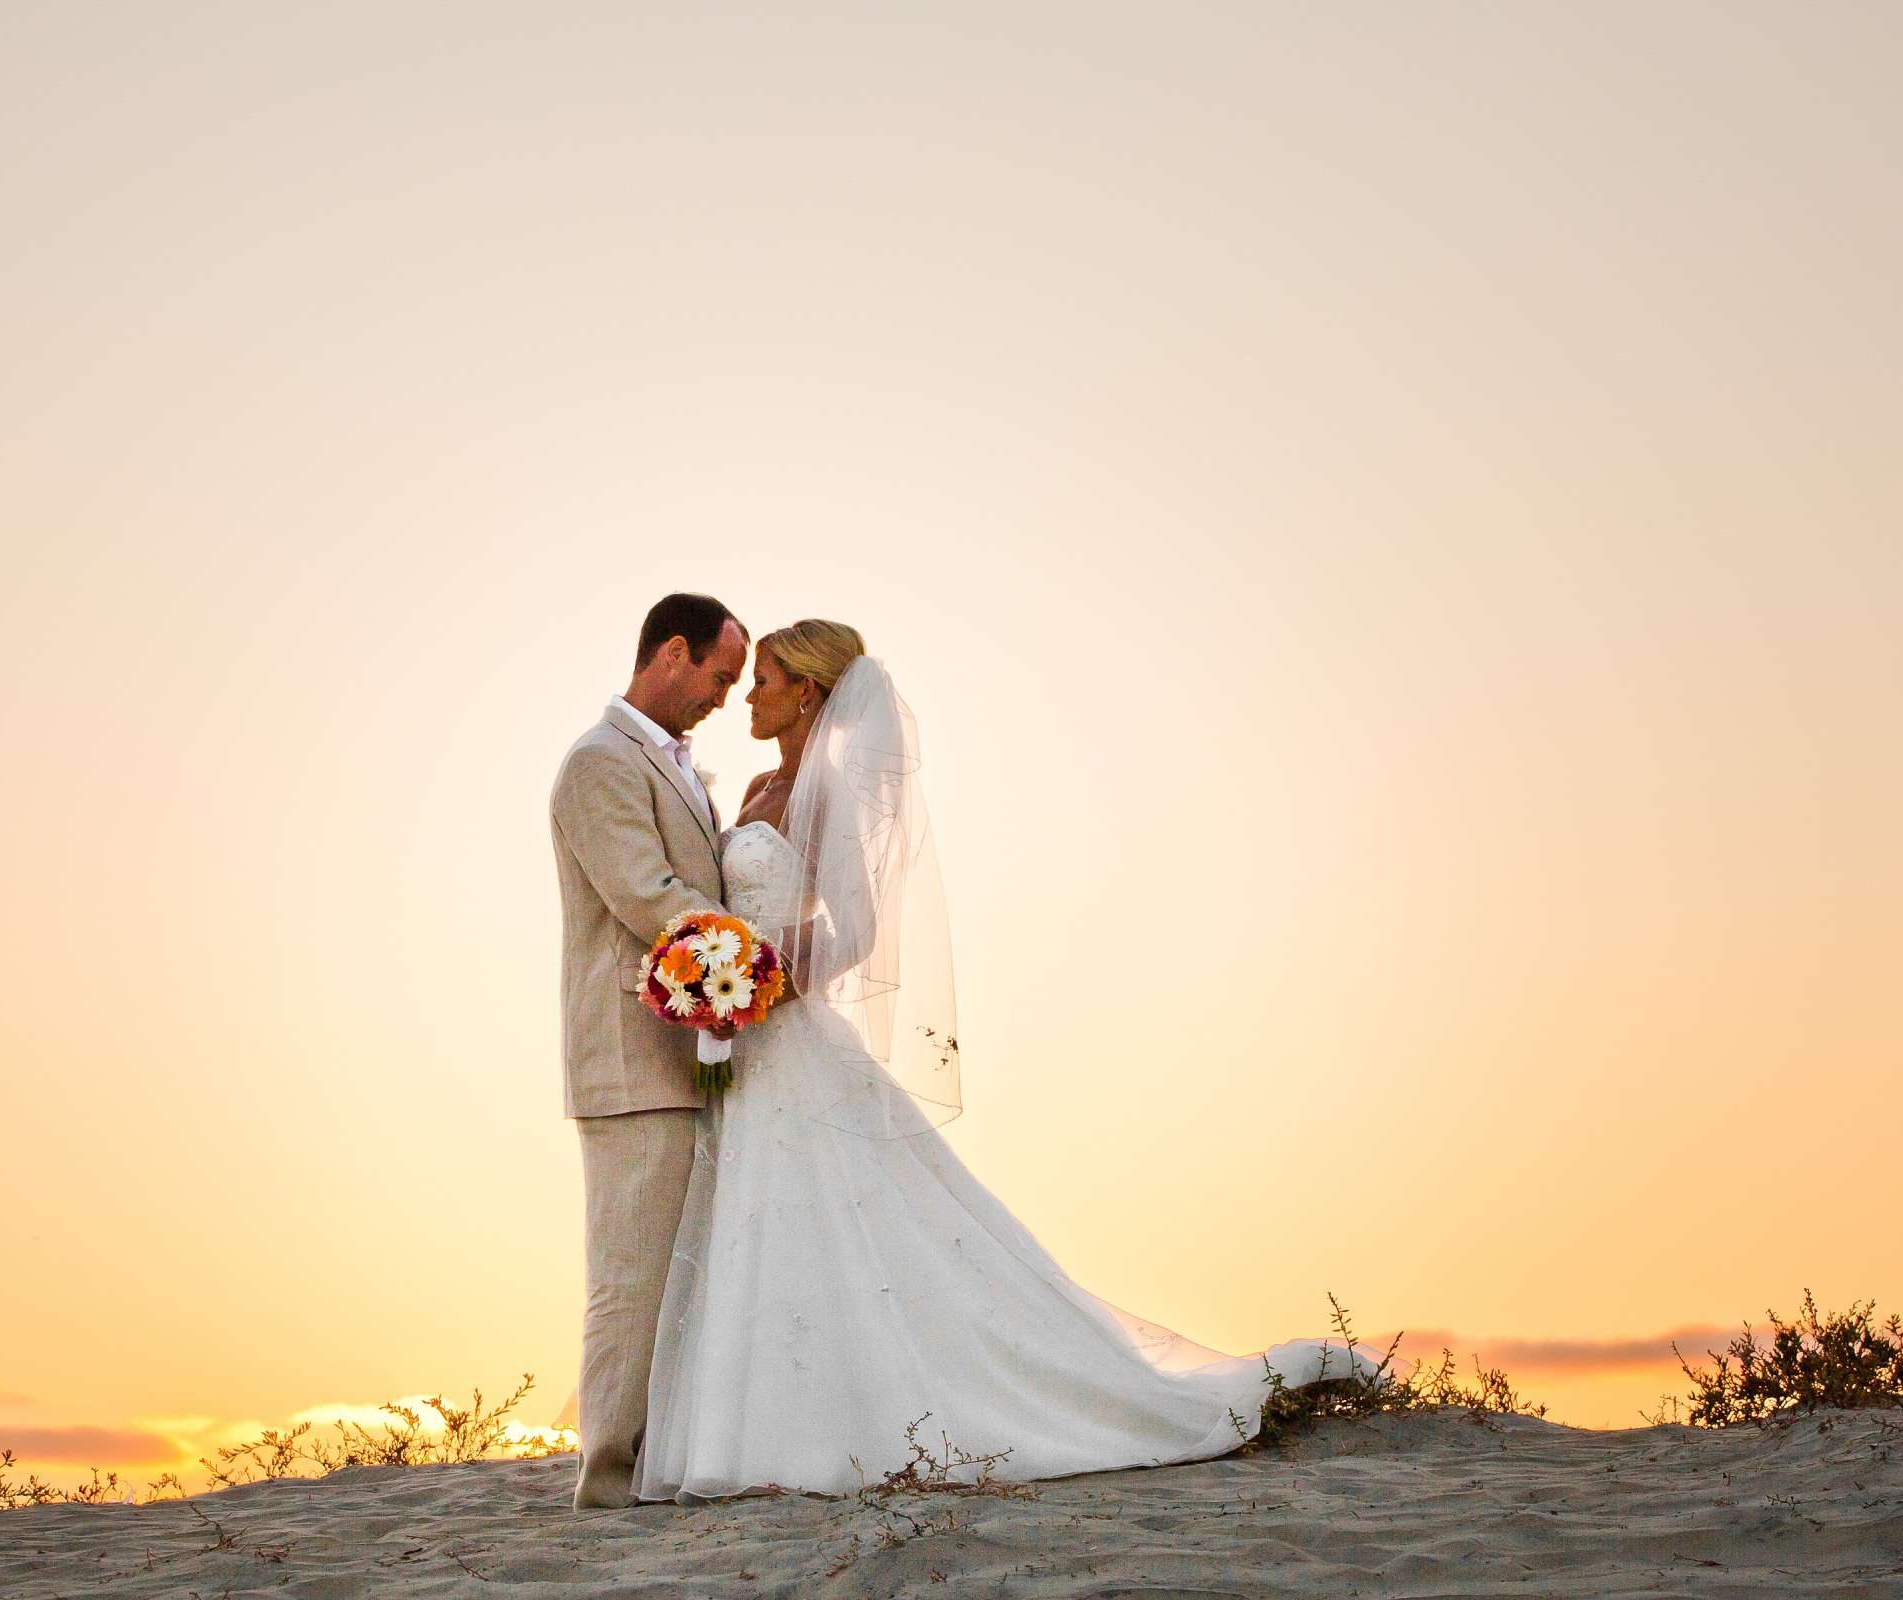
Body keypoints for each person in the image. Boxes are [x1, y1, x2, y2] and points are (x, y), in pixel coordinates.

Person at [633, 619, 1377, 1502]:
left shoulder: (830, 792)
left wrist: (758, 988)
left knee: (833, 1224)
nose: (748, 696)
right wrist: (718, 984)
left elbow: (859, 931)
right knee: (764, 1232)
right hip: (741, 1051)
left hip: (784, 1035)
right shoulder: (758, 784)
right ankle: (758, 1433)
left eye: (763, 681)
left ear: (807, 692)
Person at [546, 591, 748, 1509]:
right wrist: (752, 958)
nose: (722, 696)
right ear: (673, 653)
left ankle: (656, 1462)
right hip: (632, 1063)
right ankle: (608, 1483)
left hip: (686, 1052)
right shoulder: (599, 763)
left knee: (676, 1272)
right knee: (629, 1279)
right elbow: (644, 891)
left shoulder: (676, 765)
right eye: (719, 675)